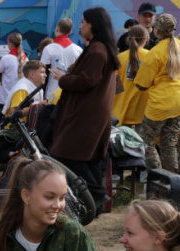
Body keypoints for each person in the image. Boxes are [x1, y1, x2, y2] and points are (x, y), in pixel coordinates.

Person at [50, 7, 119, 210]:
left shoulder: (98, 50)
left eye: (82, 22)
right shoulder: (99, 48)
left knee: (67, 153)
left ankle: (97, 195)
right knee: (86, 157)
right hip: (91, 113)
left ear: (92, 25)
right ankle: (94, 201)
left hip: (86, 114)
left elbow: (86, 81)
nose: (79, 26)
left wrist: (64, 78)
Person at [134, 14, 180, 174]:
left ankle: (158, 179)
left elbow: (141, 84)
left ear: (157, 30)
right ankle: (174, 181)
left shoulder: (155, 52)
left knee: (146, 142)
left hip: (160, 105)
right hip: (177, 103)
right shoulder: (178, 45)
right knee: (169, 143)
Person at [112, 25, 150, 132]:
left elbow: (114, 86)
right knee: (143, 146)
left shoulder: (120, 58)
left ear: (128, 40)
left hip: (122, 109)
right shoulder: (151, 56)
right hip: (144, 110)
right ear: (145, 39)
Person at [40, 18, 84, 101]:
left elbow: (43, 73)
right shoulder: (78, 50)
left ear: (57, 28)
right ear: (70, 32)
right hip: (71, 94)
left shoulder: (48, 49)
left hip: (51, 94)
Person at [0, 32, 26, 110]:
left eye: (7, 42)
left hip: (4, 100)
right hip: (17, 101)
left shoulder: (7, 58)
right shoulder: (26, 59)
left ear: (11, 44)